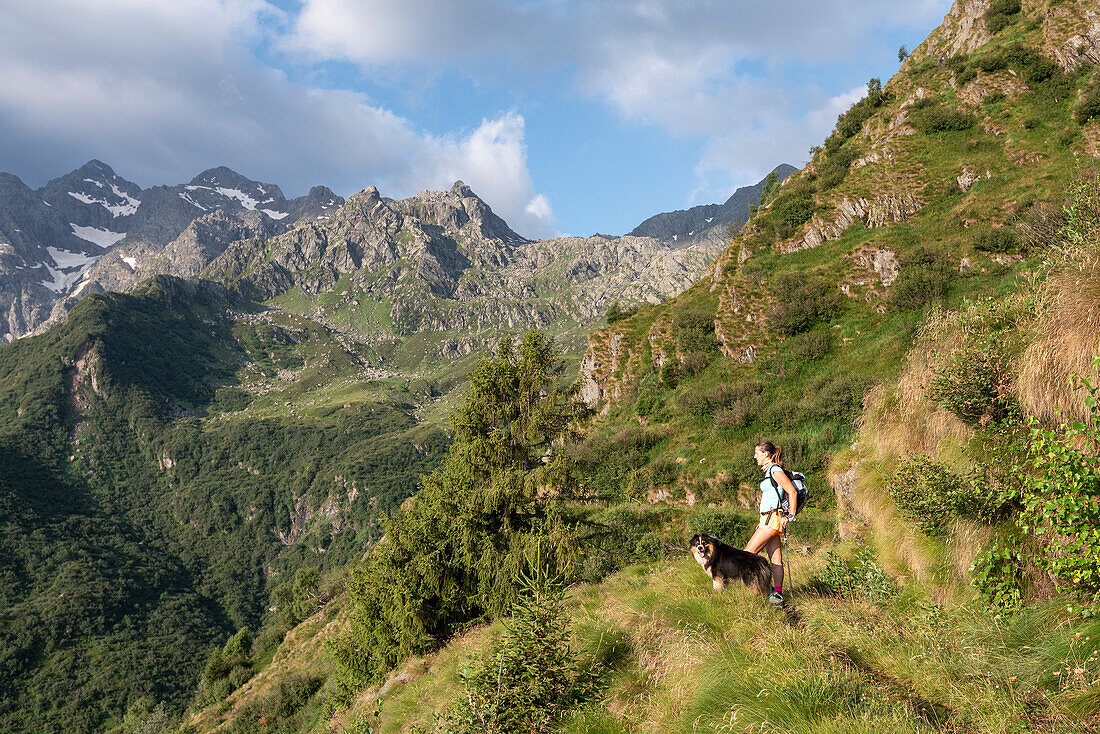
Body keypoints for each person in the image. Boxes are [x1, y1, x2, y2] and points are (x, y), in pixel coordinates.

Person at [744, 440, 797, 604]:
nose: (755, 456)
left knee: (746, 556)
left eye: (757, 453)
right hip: (768, 519)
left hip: (772, 519)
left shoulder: (775, 470)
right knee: (776, 559)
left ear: (766, 454)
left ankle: (760, 589)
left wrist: (790, 516)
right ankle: (777, 593)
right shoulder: (771, 471)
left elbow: (792, 492)